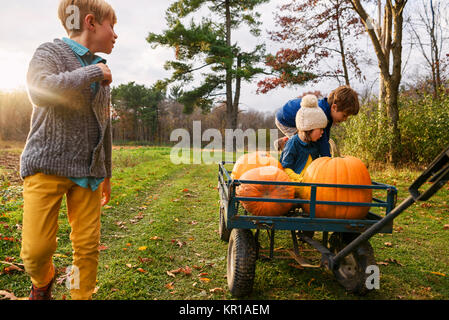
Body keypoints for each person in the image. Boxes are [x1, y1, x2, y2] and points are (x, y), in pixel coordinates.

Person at [19, 0, 118, 300]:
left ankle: (78, 295)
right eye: (111, 26)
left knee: (85, 249)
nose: (115, 34)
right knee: (36, 251)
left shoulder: (101, 70)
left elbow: (105, 125)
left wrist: (107, 172)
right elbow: (39, 91)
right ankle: (44, 280)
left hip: (88, 173)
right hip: (46, 166)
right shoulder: (50, 53)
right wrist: (93, 74)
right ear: (90, 22)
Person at [274, 86, 360, 155]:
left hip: (289, 114)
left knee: (312, 139)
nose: (345, 119)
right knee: (304, 147)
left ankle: (284, 141)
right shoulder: (320, 114)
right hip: (286, 120)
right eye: (344, 115)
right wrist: (326, 159)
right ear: (334, 107)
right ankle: (288, 150)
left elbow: (325, 137)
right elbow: (322, 142)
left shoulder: (327, 111)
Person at [280, 95, 328, 189]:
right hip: (296, 185)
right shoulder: (293, 143)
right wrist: (300, 179)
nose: (323, 132)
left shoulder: (315, 144)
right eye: (320, 129)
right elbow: (285, 168)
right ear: (309, 129)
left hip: (310, 185)